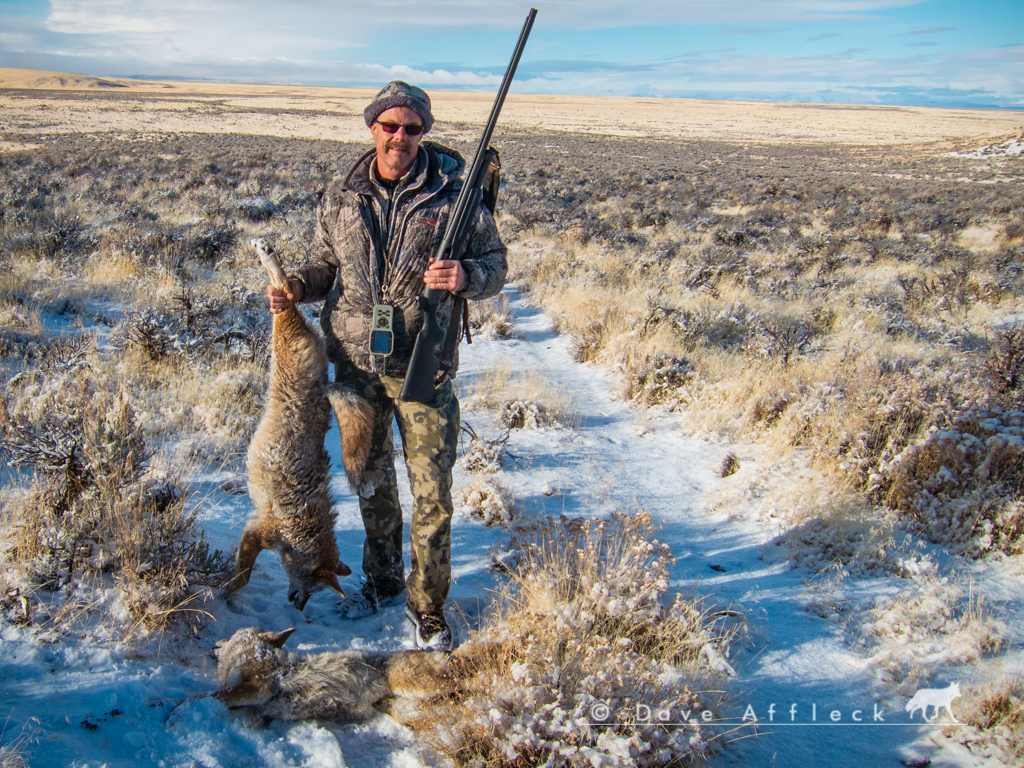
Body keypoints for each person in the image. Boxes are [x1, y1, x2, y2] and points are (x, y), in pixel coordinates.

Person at [267, 81, 507, 650]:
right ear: (372, 127)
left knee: (432, 494)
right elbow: (327, 265)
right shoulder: (340, 195)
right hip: (354, 368)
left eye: (413, 128)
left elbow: (496, 266)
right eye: (390, 126)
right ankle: (381, 582)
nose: (400, 137)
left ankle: (427, 607)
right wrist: (297, 286)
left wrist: (465, 278)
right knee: (372, 484)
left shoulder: (456, 194)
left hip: (425, 367)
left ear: (424, 131)